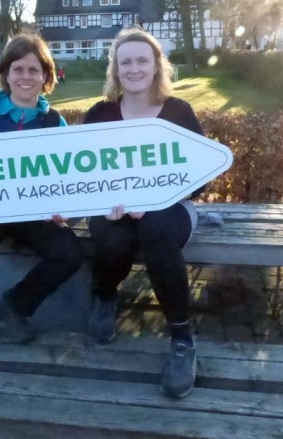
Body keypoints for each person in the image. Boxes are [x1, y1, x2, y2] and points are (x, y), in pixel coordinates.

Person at [83, 26, 205, 399]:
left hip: (172, 208)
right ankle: (105, 297)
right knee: (111, 238)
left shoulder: (178, 111)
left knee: (156, 229)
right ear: (115, 69)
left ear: (156, 66)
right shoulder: (99, 114)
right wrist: (104, 203)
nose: (134, 69)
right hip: (113, 209)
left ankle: (182, 340)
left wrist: (155, 200)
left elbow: (200, 175)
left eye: (142, 60)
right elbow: (82, 174)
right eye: (126, 62)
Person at [0, 34, 84, 351]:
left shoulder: (55, 122)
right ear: (6, 74)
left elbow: (66, 181)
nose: (26, 77)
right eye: (18, 69)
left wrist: (63, 210)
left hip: (33, 215)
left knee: (69, 252)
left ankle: (16, 306)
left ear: (46, 76)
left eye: (34, 70)